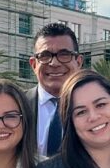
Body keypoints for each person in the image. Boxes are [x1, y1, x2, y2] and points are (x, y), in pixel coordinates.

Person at [25, 22, 84, 157]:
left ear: (79, 62)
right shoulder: (17, 106)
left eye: (64, 54)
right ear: (34, 64)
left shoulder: (97, 110)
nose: (54, 63)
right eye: (45, 55)